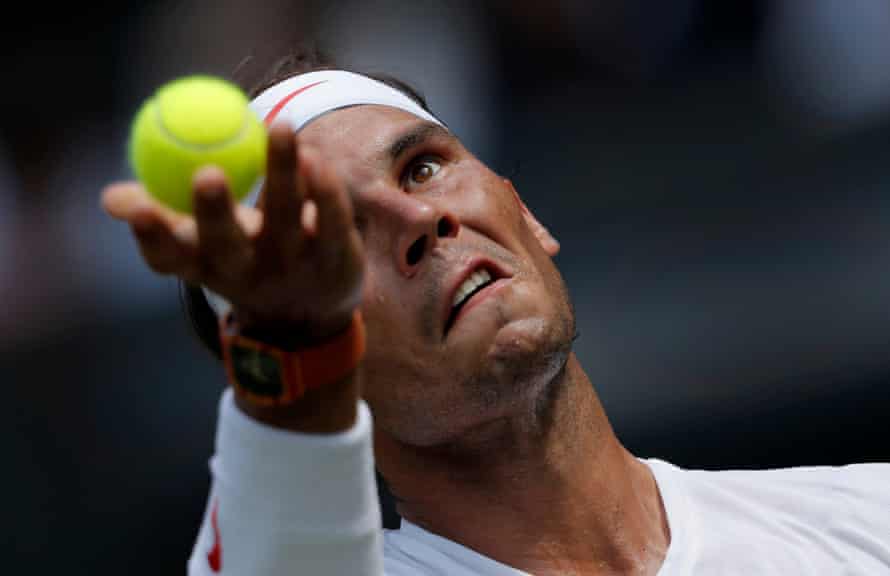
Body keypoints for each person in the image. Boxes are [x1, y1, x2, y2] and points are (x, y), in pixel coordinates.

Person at [102, 53, 890, 575]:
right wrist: (294, 349)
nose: (420, 221)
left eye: (424, 167)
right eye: (337, 237)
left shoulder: (865, 519)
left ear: (522, 208)